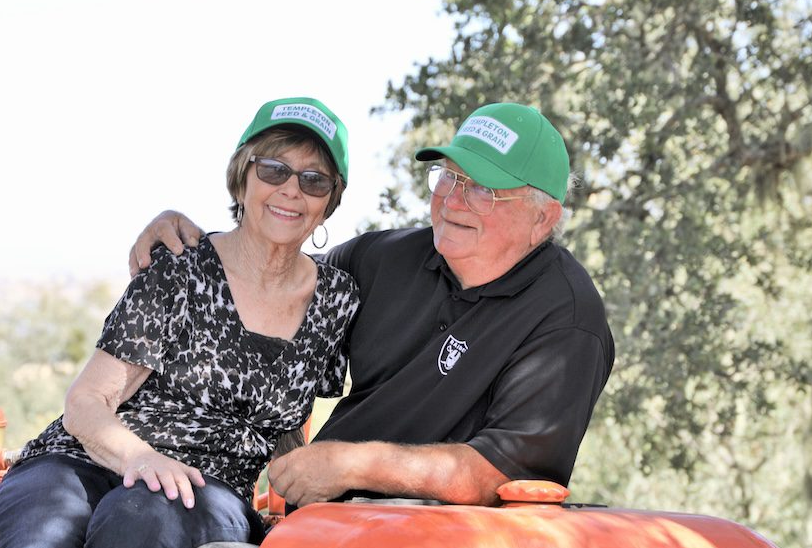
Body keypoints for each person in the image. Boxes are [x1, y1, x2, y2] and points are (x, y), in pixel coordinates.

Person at [0, 97, 360, 548]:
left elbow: (289, 425)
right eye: (273, 169)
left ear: (330, 200)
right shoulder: (180, 268)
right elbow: (86, 403)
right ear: (243, 176)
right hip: (83, 461)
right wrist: (142, 458)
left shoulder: (336, 300)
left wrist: (314, 496)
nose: (291, 190)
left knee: (140, 519)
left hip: (205, 494)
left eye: (313, 179)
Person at [131, 102, 614, 509]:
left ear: (542, 218)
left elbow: (497, 473)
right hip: (318, 526)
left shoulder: (567, 318)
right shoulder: (385, 257)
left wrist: (351, 464)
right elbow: (266, 282)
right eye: (449, 177)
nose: (452, 201)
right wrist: (189, 242)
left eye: (482, 190)